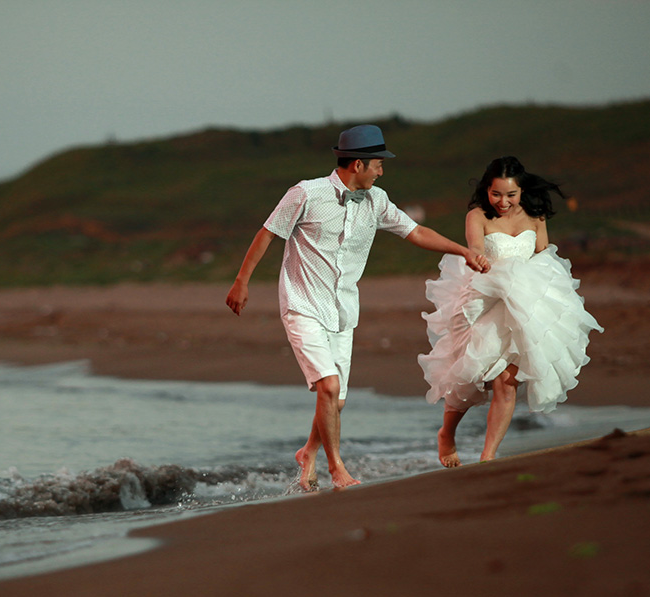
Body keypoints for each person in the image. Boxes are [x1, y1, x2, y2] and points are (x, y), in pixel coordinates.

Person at [226, 124, 489, 490]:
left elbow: (416, 232)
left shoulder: (377, 201)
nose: (382, 170)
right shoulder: (306, 193)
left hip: (344, 310)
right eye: (378, 164)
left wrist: (463, 251)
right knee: (329, 387)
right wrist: (242, 281)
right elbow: (268, 232)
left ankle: (308, 454)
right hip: (303, 305)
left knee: (336, 400)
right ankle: (337, 470)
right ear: (358, 164)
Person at [418, 156, 603, 467]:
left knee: (507, 381)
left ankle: (488, 456)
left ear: (521, 191)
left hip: (523, 304)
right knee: (469, 373)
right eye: (496, 194)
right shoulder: (477, 215)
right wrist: (478, 257)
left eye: (510, 195)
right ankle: (447, 433)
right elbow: (475, 246)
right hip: (485, 296)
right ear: (486, 191)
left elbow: (543, 255)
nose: (502, 202)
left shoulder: (536, 215)